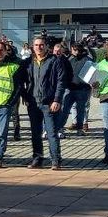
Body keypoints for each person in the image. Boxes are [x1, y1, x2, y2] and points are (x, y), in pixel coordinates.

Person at [23, 36, 72, 170]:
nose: (39, 47)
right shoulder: (28, 62)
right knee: (35, 133)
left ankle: (56, 160)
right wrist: (25, 97)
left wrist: (57, 100)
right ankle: (37, 159)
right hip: (33, 103)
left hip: (49, 103)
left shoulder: (54, 61)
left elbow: (61, 82)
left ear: (46, 46)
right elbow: (23, 81)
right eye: (36, 45)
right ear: (32, 47)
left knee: (51, 133)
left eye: (41, 45)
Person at [63, 44, 93, 135]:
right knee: (65, 109)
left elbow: (92, 70)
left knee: (81, 109)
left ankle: (80, 128)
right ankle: (60, 128)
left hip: (83, 88)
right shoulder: (70, 59)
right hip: (70, 87)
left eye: (77, 49)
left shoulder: (87, 59)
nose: (76, 51)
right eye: (74, 49)